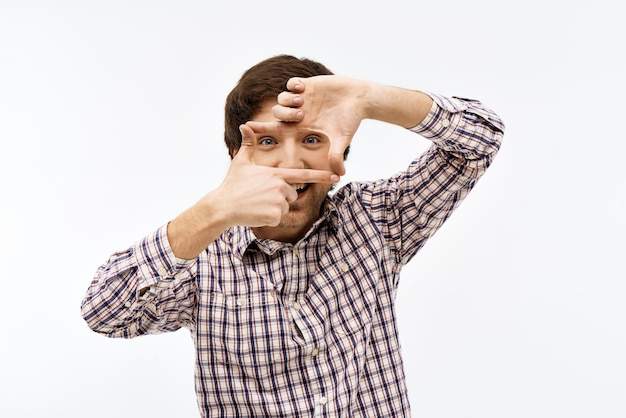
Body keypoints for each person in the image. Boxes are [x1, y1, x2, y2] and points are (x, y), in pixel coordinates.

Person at [81, 54, 505, 417]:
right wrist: (214, 209)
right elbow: (104, 312)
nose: (290, 160)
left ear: (340, 150)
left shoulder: (379, 220)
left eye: (312, 139)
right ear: (236, 155)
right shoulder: (202, 260)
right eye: (267, 140)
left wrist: (369, 99)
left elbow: (482, 138)